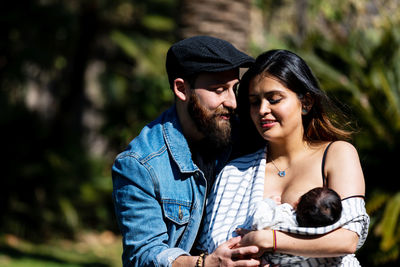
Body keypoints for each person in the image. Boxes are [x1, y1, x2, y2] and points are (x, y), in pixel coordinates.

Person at [197, 49, 369, 266]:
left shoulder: (336, 154)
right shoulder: (235, 171)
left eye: (274, 99)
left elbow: (348, 238)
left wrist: (270, 239)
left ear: (305, 103)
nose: (262, 110)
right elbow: (210, 249)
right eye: (254, 102)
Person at [111, 36, 261, 267]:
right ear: (181, 89)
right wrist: (207, 264)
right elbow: (142, 255)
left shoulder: (247, 136)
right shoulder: (140, 164)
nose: (232, 102)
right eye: (219, 89)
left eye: (235, 89)